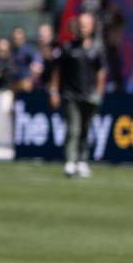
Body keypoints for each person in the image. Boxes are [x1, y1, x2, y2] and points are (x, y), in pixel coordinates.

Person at [49, 14, 106, 178]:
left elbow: (101, 72)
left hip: (89, 95)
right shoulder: (67, 48)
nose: (83, 28)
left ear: (91, 27)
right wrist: (54, 91)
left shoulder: (97, 48)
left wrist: (99, 92)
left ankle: (82, 161)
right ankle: (70, 161)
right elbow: (57, 71)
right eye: (81, 25)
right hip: (70, 94)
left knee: (85, 129)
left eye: (86, 25)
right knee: (73, 128)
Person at [10, 27, 41, 92]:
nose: (17, 40)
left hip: (29, 86)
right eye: (15, 38)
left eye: (20, 38)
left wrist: (30, 79)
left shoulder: (29, 49)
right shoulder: (11, 51)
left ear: (24, 38)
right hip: (15, 85)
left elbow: (38, 63)